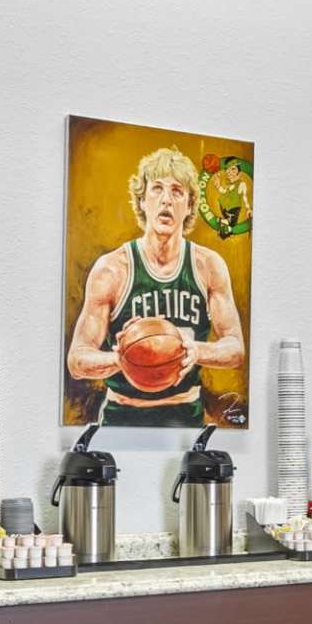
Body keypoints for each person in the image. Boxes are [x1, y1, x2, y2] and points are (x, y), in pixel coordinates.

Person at [68, 145, 247, 427]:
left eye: (177, 192)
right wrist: (122, 358)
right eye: (157, 189)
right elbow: (77, 360)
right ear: (141, 200)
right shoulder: (112, 269)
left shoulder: (208, 265)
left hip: (185, 414)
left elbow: (235, 347)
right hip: (122, 415)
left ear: (189, 205)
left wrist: (197, 351)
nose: (166, 200)